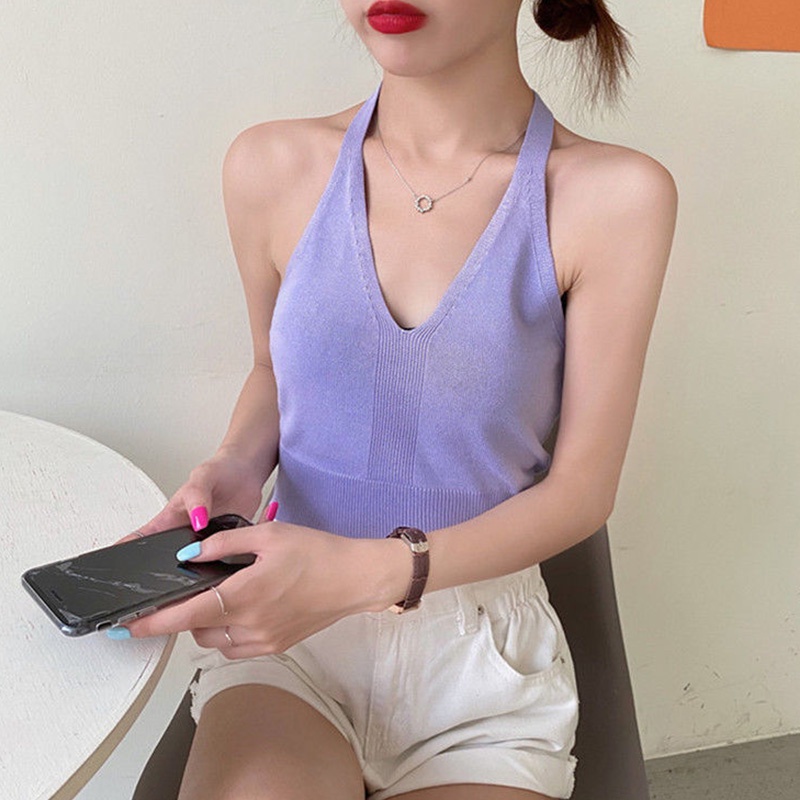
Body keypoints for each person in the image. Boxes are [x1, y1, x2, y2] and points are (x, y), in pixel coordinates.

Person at [115, 1, 678, 798]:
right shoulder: (270, 166)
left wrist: (364, 574)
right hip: (295, 650)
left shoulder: (613, 198)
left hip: (481, 670)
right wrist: (235, 462)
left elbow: (582, 491)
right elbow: (274, 370)